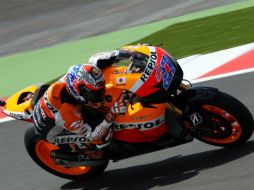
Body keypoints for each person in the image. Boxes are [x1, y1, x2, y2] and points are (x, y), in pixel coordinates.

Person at [32, 63, 129, 160]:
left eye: (100, 91)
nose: (99, 96)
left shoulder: (75, 78)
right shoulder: (68, 114)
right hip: (54, 132)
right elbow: (92, 135)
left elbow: (97, 61)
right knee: (103, 137)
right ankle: (82, 151)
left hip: (58, 108)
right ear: (78, 92)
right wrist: (112, 113)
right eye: (93, 94)